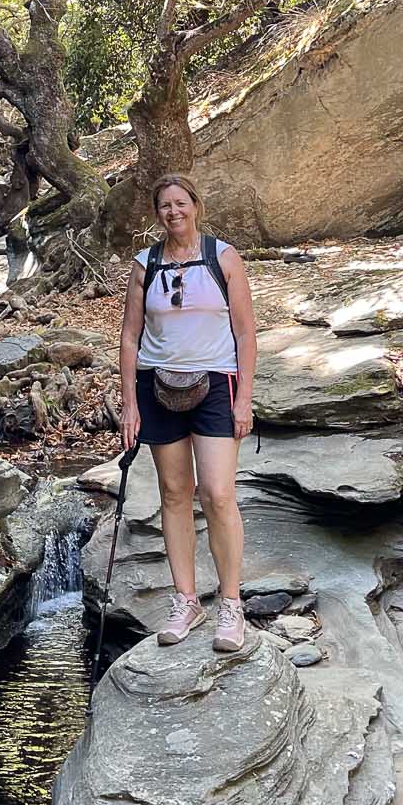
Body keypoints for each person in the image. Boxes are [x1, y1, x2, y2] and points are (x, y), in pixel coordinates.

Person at [117, 172, 257, 653]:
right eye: (164, 206)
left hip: (217, 382)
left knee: (218, 493)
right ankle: (186, 600)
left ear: (195, 205)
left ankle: (232, 606)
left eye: (180, 203)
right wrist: (130, 403)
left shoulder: (223, 257)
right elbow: (131, 336)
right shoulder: (145, 265)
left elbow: (245, 332)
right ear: (156, 214)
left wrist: (244, 398)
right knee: (174, 492)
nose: (173, 212)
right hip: (158, 386)